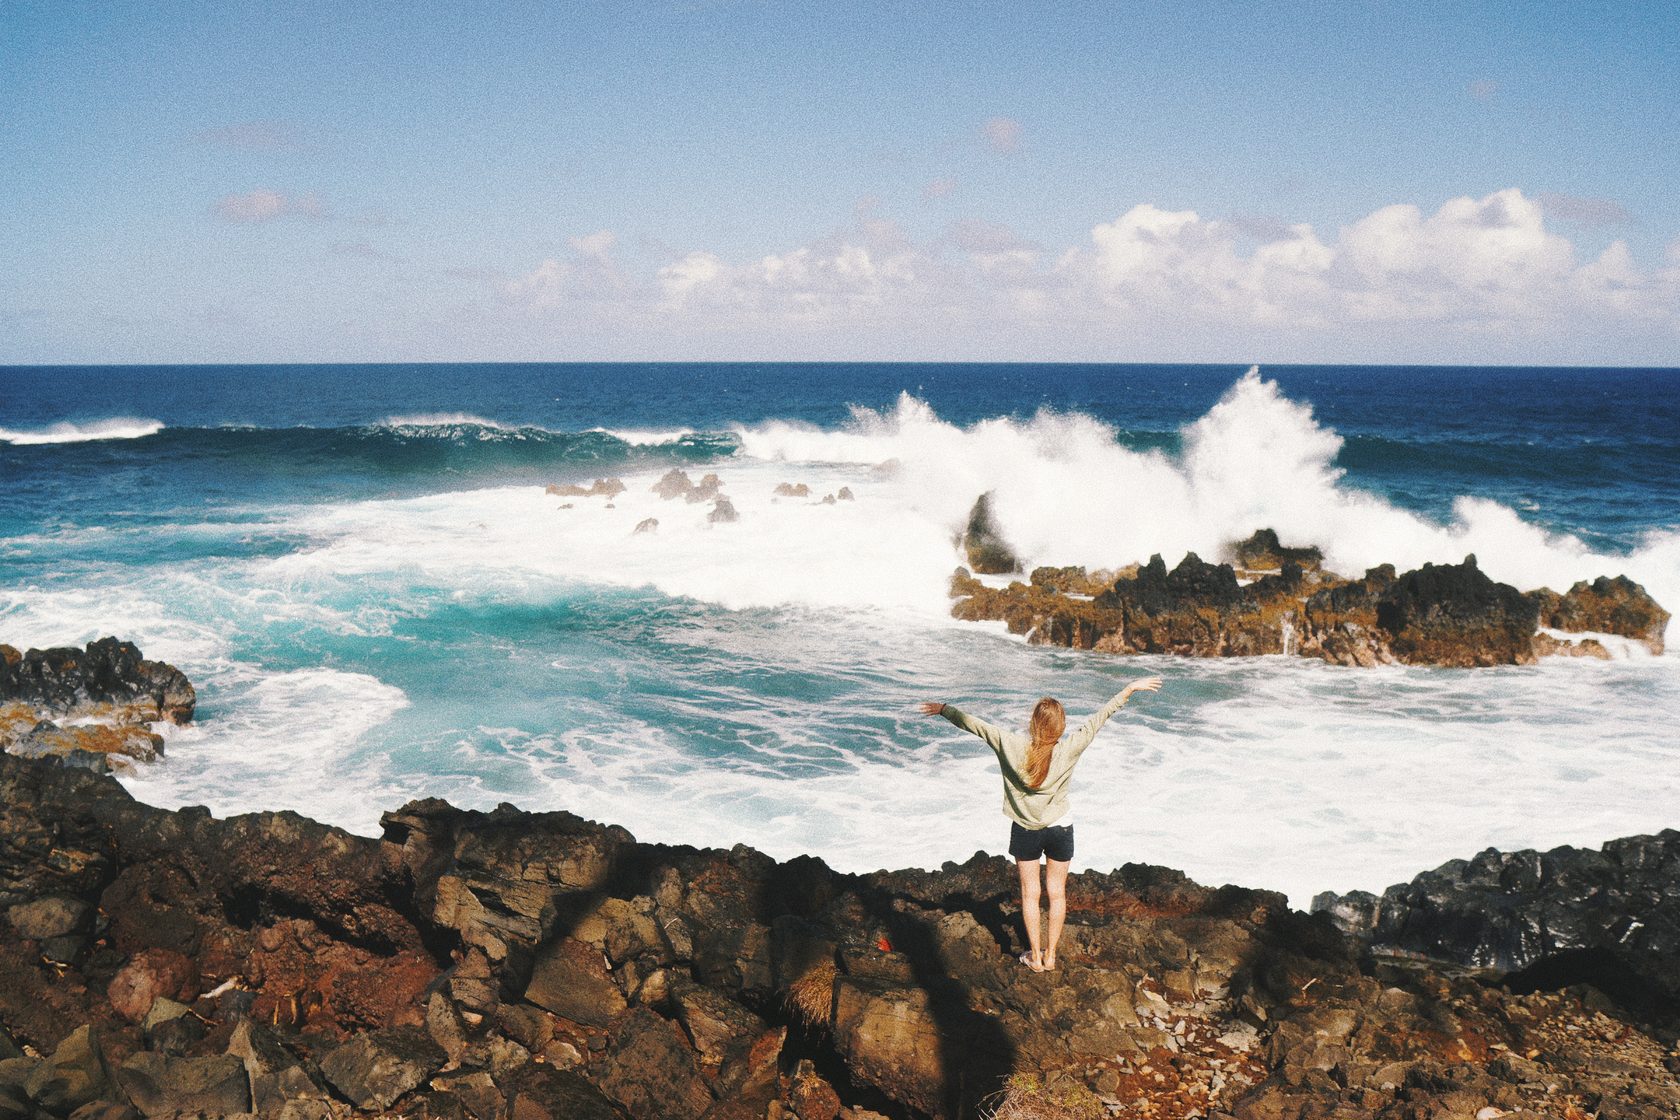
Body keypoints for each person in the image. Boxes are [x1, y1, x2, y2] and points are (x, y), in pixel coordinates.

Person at [919, 676, 1162, 972]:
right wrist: (1128, 690)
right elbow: (1099, 719)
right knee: (1057, 893)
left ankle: (1034, 955)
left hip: (1026, 830)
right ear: (1060, 727)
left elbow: (975, 725)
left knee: (1030, 894)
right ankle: (1052, 956)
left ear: (1034, 724)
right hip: (1061, 829)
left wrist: (944, 709)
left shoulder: (1009, 745)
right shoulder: (1070, 748)